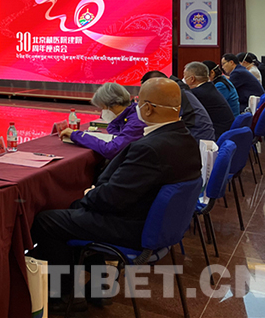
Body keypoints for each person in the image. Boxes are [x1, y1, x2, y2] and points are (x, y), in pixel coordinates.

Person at [31, 78, 201, 312]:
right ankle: (98, 286)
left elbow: (111, 199)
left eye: (139, 103)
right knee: (77, 212)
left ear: (147, 108)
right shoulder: (186, 138)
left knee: (48, 220)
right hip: (160, 223)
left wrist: (88, 195)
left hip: (133, 227)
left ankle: (63, 295)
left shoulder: (149, 148)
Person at [59, 83, 144, 160]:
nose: (103, 112)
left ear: (116, 105)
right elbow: (114, 133)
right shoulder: (127, 114)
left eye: (103, 108)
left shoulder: (135, 122)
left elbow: (111, 150)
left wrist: (76, 135)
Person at [141, 71, 215, 142]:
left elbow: (167, 124)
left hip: (198, 137)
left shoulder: (174, 95)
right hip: (198, 135)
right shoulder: (180, 91)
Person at [183, 62, 235, 140]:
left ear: (192, 79)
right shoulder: (209, 87)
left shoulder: (197, 93)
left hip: (217, 135)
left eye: (185, 77)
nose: (183, 80)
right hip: (226, 131)